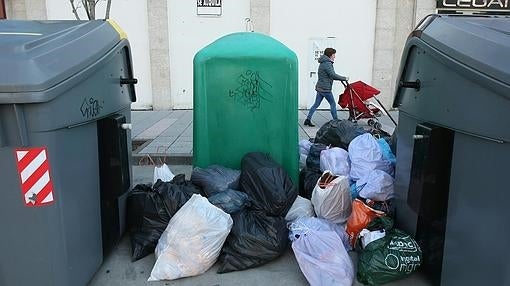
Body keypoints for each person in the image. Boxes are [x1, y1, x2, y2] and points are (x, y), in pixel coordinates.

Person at [304, 48, 348, 127]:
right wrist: (344, 78)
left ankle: (308, 119)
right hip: (325, 88)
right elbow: (333, 75)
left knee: (316, 104)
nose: (335, 56)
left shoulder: (323, 62)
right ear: (330, 55)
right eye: (334, 54)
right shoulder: (327, 63)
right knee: (333, 104)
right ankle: (336, 121)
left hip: (320, 87)